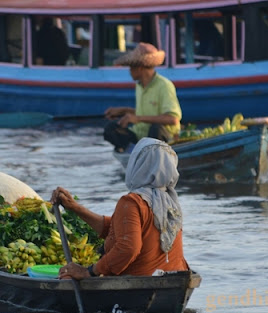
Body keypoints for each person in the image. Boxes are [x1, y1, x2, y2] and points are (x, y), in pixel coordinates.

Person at [53, 138, 190, 280]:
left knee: (66, 278)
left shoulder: (131, 201)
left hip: (141, 280)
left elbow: (128, 248)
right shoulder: (170, 201)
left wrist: (89, 271)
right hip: (176, 276)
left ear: (138, 164)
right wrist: (75, 208)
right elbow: (118, 228)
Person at [103, 42, 182, 153]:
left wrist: (138, 119)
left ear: (139, 68)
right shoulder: (139, 86)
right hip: (140, 137)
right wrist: (124, 111)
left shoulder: (164, 85)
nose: (129, 71)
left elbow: (173, 119)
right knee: (110, 128)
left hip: (163, 137)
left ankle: (147, 154)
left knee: (156, 128)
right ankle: (135, 152)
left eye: (131, 67)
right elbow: (147, 113)